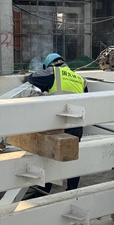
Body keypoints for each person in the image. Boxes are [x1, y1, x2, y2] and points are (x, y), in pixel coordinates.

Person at [25, 53, 88, 196]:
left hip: (58, 124)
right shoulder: (79, 78)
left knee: (50, 155)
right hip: (76, 125)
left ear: (48, 65)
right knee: (72, 156)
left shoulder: (53, 71)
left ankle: (44, 190)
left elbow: (32, 78)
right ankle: (72, 190)